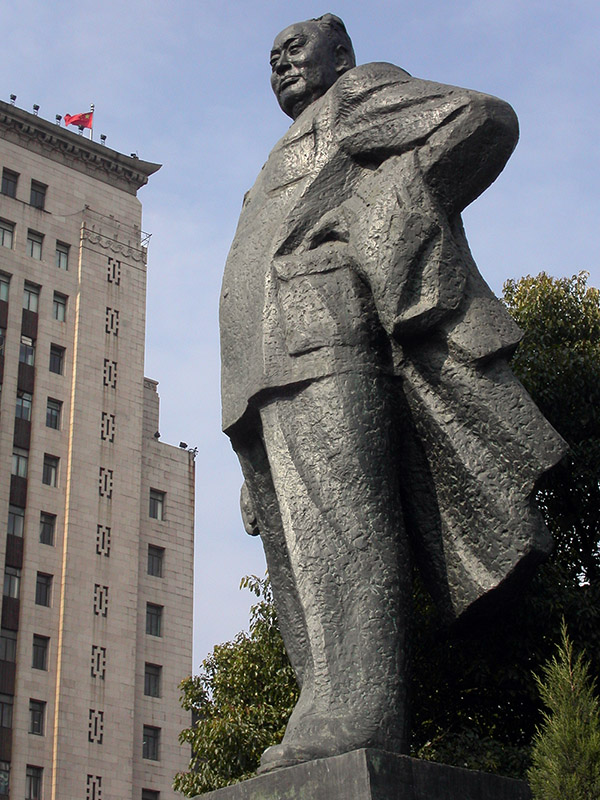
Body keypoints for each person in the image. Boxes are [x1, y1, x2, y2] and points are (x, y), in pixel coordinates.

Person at [220, 14, 566, 772]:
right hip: (264, 370)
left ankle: (358, 708)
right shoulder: (290, 140)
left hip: (325, 343)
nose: (279, 62)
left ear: (338, 54)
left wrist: (383, 213)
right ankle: (322, 705)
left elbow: (481, 119)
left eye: (294, 49)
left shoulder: (358, 93)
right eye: (269, 56)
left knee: (345, 531)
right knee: (297, 555)